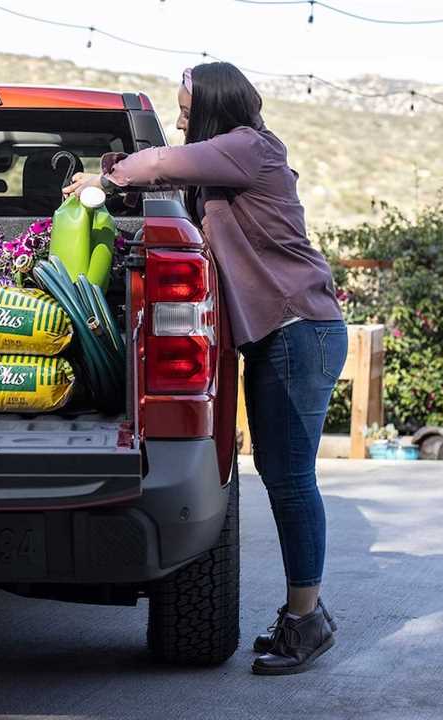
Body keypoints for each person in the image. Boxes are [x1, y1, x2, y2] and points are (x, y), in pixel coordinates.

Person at [63, 62, 347, 675]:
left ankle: (308, 619)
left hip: (301, 330)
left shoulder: (250, 149)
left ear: (217, 102)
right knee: (280, 472)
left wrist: (103, 175)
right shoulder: (226, 166)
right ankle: (304, 614)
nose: (181, 113)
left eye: (188, 104)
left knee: (292, 478)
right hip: (281, 336)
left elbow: (161, 163)